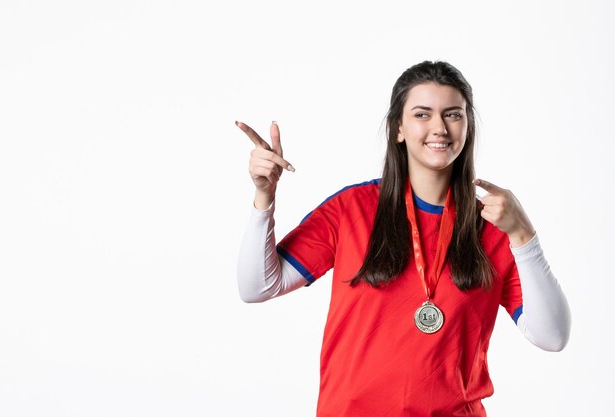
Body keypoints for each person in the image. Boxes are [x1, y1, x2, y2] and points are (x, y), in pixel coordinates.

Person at [235, 61, 571, 417]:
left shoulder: (495, 228)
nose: (439, 128)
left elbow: (552, 336)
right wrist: (264, 197)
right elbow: (257, 287)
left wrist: (524, 235)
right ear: (399, 128)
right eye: (422, 114)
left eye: (453, 114)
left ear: (467, 127)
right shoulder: (351, 209)